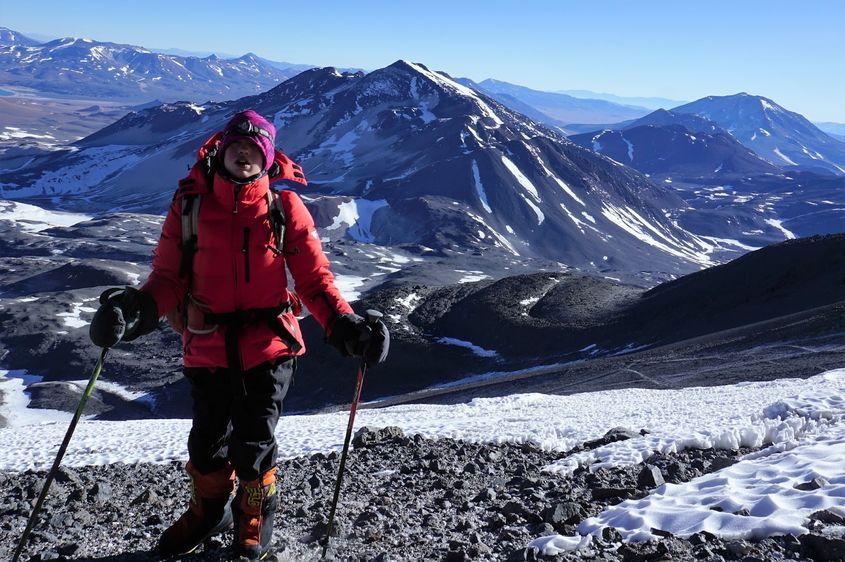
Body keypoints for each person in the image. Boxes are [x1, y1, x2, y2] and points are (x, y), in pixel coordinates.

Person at [89, 109, 389, 561]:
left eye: (254, 148)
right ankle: (211, 512)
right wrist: (135, 311)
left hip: (269, 346)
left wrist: (343, 323)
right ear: (221, 151)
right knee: (206, 445)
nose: (244, 154)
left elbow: (313, 280)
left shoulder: (284, 209)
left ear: (268, 159)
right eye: (236, 146)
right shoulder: (189, 205)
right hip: (207, 344)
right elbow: (167, 278)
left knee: (253, 444)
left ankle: (253, 517)